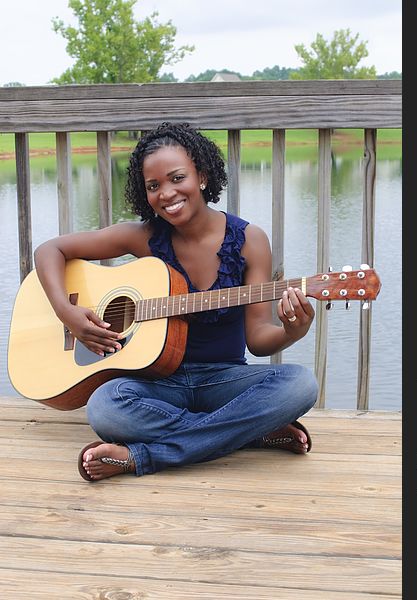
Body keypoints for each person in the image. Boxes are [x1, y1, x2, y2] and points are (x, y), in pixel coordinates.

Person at [34, 122, 318, 481]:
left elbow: (259, 340)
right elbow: (50, 250)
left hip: (223, 381)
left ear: (201, 174)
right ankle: (246, 431)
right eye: (153, 186)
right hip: (157, 384)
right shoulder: (143, 237)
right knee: (105, 408)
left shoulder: (249, 240)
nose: (166, 193)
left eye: (176, 178)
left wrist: (294, 330)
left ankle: (143, 457)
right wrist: (67, 311)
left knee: (301, 383)